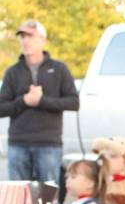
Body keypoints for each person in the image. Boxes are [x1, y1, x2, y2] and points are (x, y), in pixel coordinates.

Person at [0, 20, 79, 183]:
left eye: (30, 36)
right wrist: (23, 101)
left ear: (42, 40)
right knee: (18, 198)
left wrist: (42, 101)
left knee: (48, 196)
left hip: (48, 143)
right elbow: (2, 108)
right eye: (22, 36)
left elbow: (73, 102)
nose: (25, 41)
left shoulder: (59, 69)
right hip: (18, 143)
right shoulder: (12, 72)